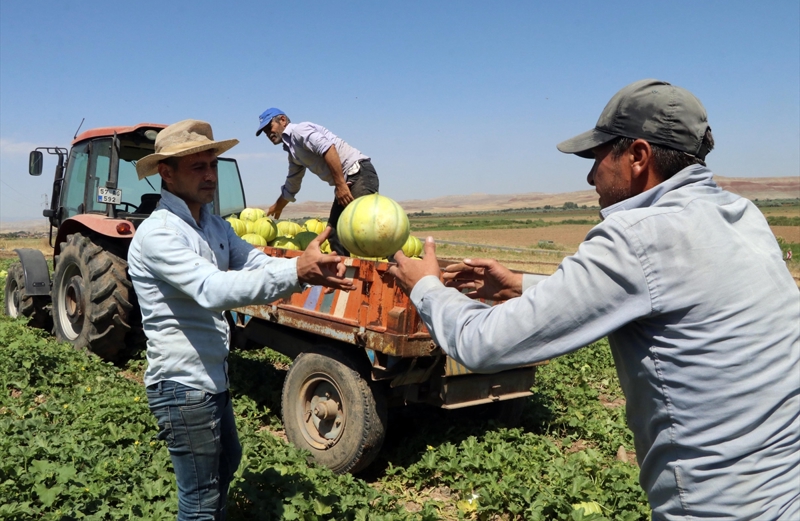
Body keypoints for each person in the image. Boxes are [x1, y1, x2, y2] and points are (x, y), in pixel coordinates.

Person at [388, 80, 799, 520]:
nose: (589, 176)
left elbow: (483, 343)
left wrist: (425, 286)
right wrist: (519, 286)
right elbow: (650, 290)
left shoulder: (638, 235)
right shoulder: (741, 215)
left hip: (716, 507)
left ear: (638, 157)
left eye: (598, 157)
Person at [128, 119, 354, 521]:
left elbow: (253, 261)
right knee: (198, 500)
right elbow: (212, 289)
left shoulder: (213, 225)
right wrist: (296, 272)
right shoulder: (158, 234)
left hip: (211, 377)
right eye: (197, 167)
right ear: (166, 172)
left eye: (212, 165)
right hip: (182, 385)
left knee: (227, 462)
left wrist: (298, 269)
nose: (210, 176)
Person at [256, 108, 380, 255]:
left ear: (282, 120)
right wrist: (277, 206)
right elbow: (292, 183)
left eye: (269, 127)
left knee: (364, 228)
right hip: (348, 180)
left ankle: (397, 263)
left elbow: (328, 149)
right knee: (335, 236)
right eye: (264, 132)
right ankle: (344, 276)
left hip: (359, 174)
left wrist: (340, 185)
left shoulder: (300, 131)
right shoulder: (293, 152)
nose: (268, 134)